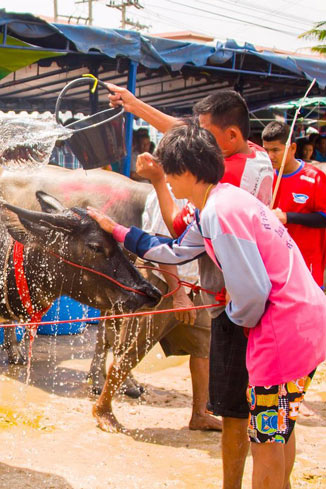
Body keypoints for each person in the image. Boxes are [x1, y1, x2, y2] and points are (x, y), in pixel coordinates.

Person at [88, 123, 325, 489]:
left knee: (263, 443)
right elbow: (173, 250)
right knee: (281, 430)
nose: (166, 181)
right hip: (306, 324)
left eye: (167, 173)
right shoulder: (221, 201)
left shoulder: (220, 213)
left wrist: (232, 310)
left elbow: (253, 295)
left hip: (281, 335)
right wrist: (116, 229)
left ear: (183, 172)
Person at [107, 85, 273, 489]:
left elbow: (179, 238)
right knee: (271, 420)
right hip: (216, 291)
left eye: (176, 174)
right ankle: (111, 402)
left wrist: (236, 314)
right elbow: (178, 245)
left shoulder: (218, 196)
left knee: (237, 410)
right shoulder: (246, 165)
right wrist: (136, 105)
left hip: (222, 299)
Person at [262, 121, 326, 286]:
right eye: (266, 150)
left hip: (307, 261)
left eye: (276, 150)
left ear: (292, 148)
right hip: (276, 263)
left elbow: (323, 218)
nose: (270, 156)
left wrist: (287, 217)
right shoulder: (266, 177)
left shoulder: (315, 177)